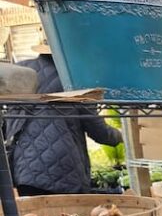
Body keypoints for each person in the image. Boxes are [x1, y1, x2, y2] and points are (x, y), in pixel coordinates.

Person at [5, 42, 123, 196]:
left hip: (25, 168)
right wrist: (120, 136)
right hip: (64, 169)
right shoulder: (74, 78)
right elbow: (98, 131)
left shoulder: (22, 70)